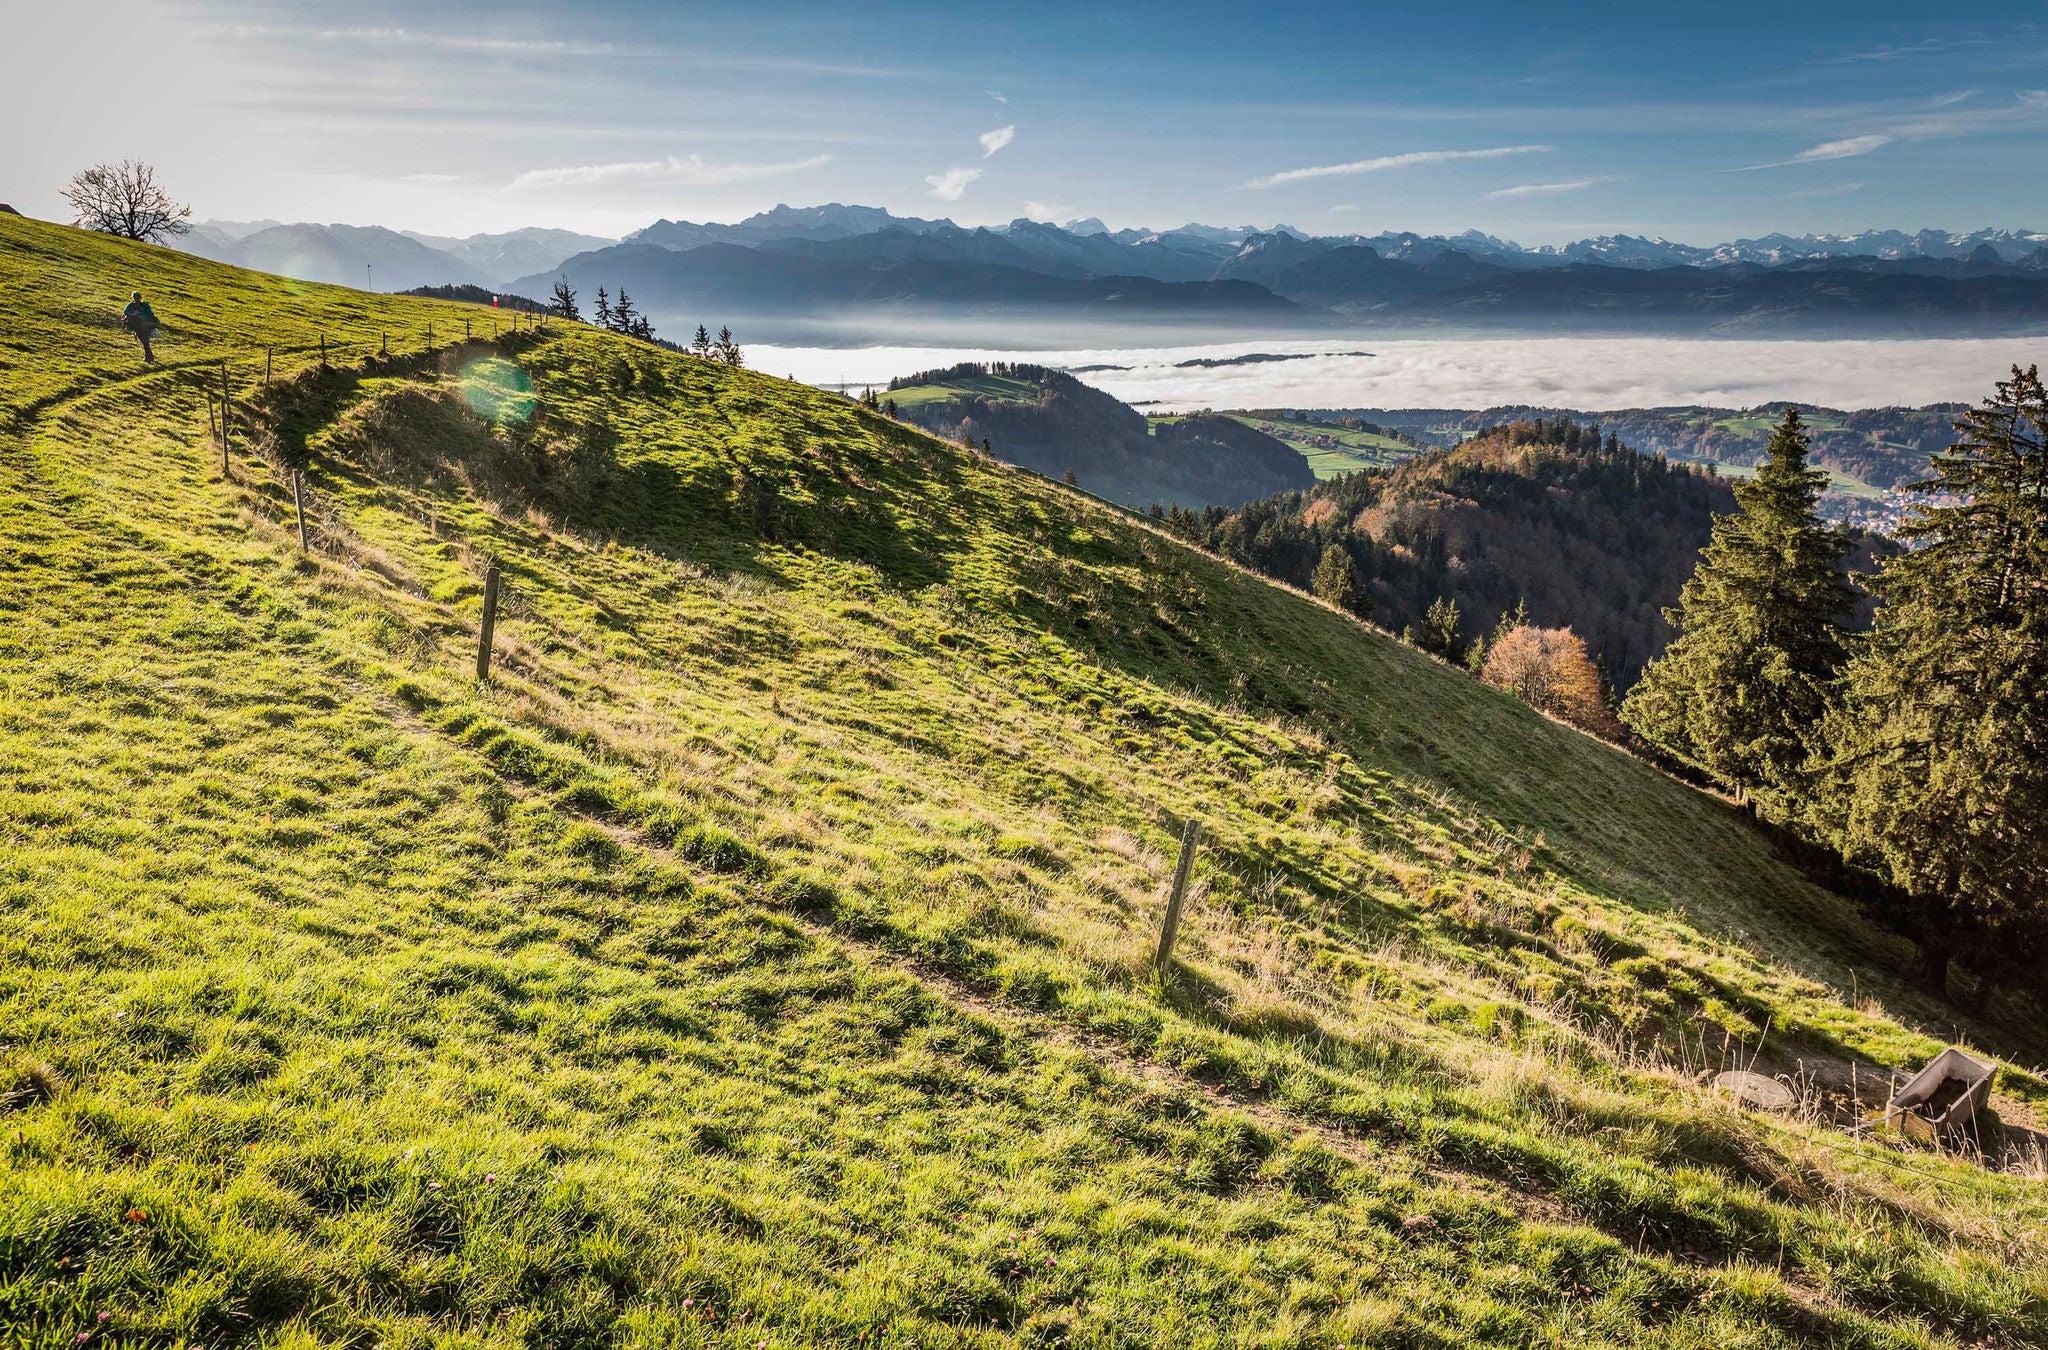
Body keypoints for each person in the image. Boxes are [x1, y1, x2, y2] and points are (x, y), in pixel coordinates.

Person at [122, 290, 159, 362]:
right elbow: (125, 312)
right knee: (144, 342)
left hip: (144, 326)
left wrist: (139, 314)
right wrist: (133, 314)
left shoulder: (144, 305)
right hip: (137, 326)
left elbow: (150, 314)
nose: (136, 299)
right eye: (135, 297)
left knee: (144, 341)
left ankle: (149, 357)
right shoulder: (131, 305)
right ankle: (149, 357)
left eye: (137, 297)